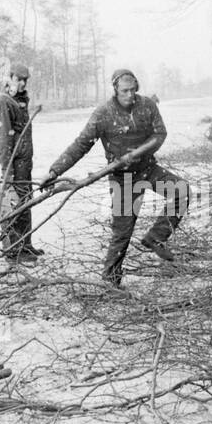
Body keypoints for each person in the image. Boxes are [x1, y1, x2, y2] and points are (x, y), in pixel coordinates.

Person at [41, 68, 191, 291]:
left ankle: (156, 237)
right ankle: (111, 281)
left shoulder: (147, 106)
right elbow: (80, 144)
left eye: (132, 90)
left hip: (148, 169)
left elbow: (160, 134)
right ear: (115, 90)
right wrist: (54, 171)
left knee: (181, 190)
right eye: (124, 91)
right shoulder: (103, 113)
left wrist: (137, 153)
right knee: (122, 233)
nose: (129, 95)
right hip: (123, 179)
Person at [0, 62, 42, 263]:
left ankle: (25, 246)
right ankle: (12, 251)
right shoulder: (4, 102)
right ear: (9, 78)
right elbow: (2, 139)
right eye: (18, 79)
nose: (22, 83)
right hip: (13, 164)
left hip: (24, 163)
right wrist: (7, 170)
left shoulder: (19, 101)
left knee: (25, 201)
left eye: (24, 80)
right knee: (12, 204)